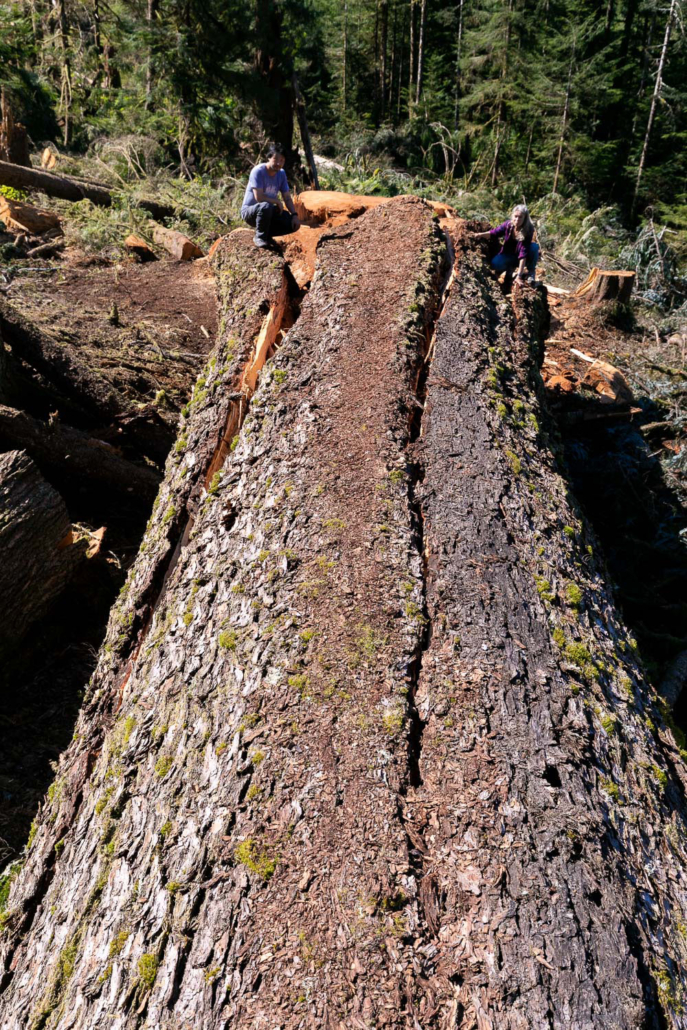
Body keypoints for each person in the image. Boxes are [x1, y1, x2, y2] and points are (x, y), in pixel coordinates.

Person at [241, 144, 301, 249]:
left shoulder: (281, 174)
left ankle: (267, 234)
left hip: (267, 212)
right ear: (269, 157)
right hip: (250, 212)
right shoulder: (258, 171)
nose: (278, 163)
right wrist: (277, 201)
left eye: (282, 160)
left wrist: (294, 215)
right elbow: (259, 198)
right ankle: (259, 237)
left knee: (291, 222)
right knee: (266, 206)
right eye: (275, 159)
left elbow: (287, 197)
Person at [472, 205, 539, 286]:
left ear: (525, 218)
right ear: (512, 216)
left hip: (522, 257)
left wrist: (519, 276)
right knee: (495, 264)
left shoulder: (528, 229)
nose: (517, 219)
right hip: (508, 255)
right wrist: (479, 235)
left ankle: (531, 272)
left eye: (520, 217)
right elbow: (494, 233)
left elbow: (523, 253)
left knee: (534, 247)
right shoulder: (508, 225)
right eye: (516, 216)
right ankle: (509, 268)